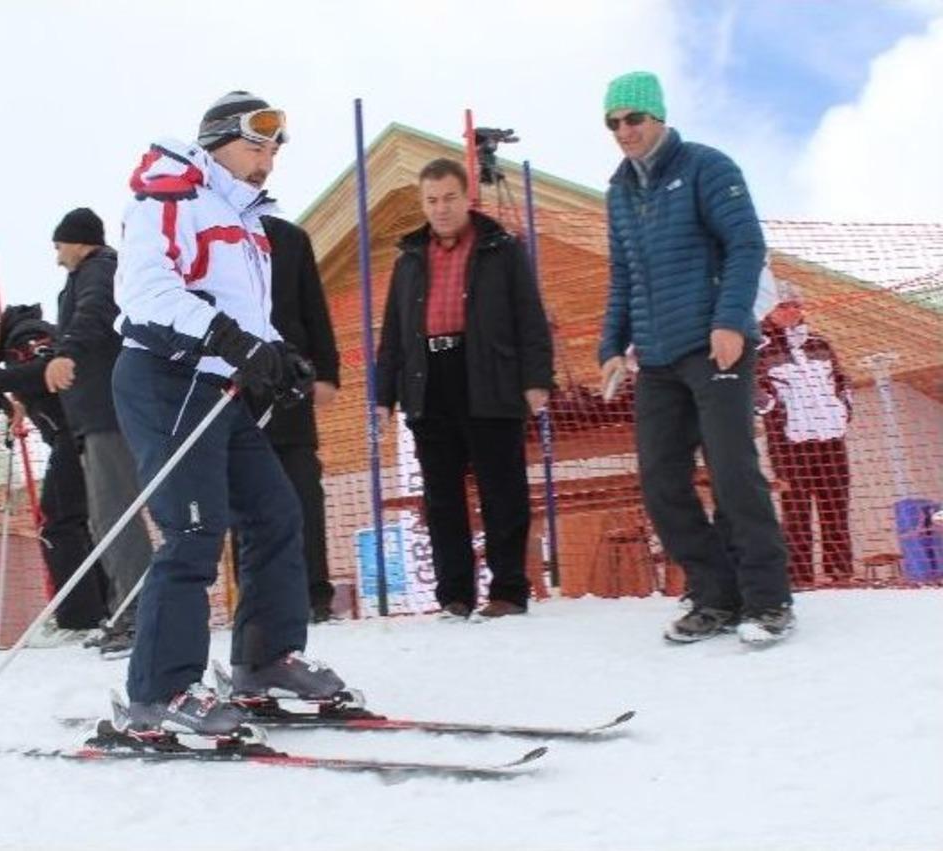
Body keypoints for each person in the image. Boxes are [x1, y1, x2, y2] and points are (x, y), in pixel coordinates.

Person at [112, 90, 348, 736]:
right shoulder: (170, 195)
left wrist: (277, 359)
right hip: (166, 376)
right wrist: (227, 340)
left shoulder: (247, 218)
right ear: (218, 139)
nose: (269, 155)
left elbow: (245, 314)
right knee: (193, 531)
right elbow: (147, 292)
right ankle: (159, 690)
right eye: (257, 141)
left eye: (277, 145)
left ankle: (265, 658)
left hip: (220, 384)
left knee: (275, 512)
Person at [596, 70, 794, 644]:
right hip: (656, 358)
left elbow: (746, 245)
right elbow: (622, 275)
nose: (624, 131)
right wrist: (612, 346)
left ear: (658, 115)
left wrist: (731, 320)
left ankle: (768, 598)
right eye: (613, 123)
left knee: (733, 473)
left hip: (714, 346)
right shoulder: (620, 190)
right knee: (661, 481)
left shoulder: (708, 166)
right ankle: (715, 596)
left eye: (633, 118)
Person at [374, 157, 555, 621]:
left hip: (488, 378)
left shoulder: (502, 249)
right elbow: (393, 334)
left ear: (466, 196)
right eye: (431, 200)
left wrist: (536, 380)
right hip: (428, 382)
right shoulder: (409, 259)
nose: (440, 208)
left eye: (449, 198)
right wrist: (382, 398)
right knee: (441, 497)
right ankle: (453, 595)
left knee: (503, 489)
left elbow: (530, 318)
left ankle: (509, 591)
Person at [0, 305, 107, 639]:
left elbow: (50, 369)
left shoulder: (25, 335)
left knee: (58, 521)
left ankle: (80, 618)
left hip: (76, 431)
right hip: (74, 433)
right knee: (74, 522)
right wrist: (12, 401)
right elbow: (31, 381)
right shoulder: (13, 346)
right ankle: (97, 607)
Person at [42, 207, 154, 659]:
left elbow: (97, 312)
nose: (57, 257)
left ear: (80, 241)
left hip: (110, 413)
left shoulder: (99, 271)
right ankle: (128, 607)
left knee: (116, 515)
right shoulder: (86, 274)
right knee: (105, 518)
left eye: (59, 246)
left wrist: (66, 351)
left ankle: (141, 611)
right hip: (94, 416)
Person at [253, 214, 340, 623]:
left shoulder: (289, 239)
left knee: (302, 489)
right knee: (247, 499)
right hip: (236, 390)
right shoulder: (209, 239)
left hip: (291, 383)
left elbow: (314, 309)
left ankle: (314, 594)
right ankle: (259, 599)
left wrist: (327, 373)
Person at [756, 283, 854, 587]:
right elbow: (748, 387)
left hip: (830, 439)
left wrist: (843, 409)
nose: (792, 311)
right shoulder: (757, 347)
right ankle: (800, 577)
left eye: (796, 306)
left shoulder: (819, 343)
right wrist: (771, 407)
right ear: (769, 310)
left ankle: (840, 573)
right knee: (796, 510)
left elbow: (841, 379)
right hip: (789, 444)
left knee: (835, 506)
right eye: (784, 306)